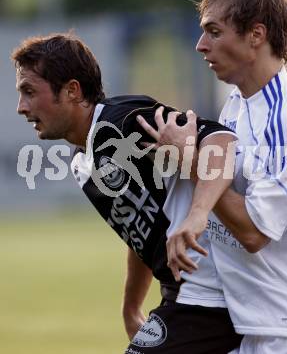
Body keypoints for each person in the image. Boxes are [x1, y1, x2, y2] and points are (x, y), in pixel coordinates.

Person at [136, 0, 287, 353]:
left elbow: (256, 231)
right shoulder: (238, 104)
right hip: (258, 327)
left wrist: (190, 159)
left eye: (214, 31)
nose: (200, 45)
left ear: (256, 35)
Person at [13, 32, 243, 353]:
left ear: (72, 90)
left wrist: (198, 214)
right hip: (181, 293)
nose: (21, 107)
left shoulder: (122, 122)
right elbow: (139, 233)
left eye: (29, 92)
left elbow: (221, 140)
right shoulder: (82, 159)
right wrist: (131, 306)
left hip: (211, 292)